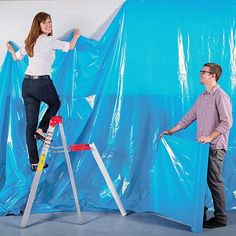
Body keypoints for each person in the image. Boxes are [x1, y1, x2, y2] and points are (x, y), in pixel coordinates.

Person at [160, 63, 232, 229]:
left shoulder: (221, 96)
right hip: (201, 149)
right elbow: (188, 118)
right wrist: (171, 131)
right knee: (199, 181)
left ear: (212, 75)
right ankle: (200, 213)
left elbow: (226, 122)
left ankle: (220, 218)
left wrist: (209, 137)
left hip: (214, 147)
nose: (200, 74)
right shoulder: (202, 98)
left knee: (214, 181)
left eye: (203, 72)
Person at [6, 12, 80, 172]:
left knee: (30, 124)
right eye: (45, 23)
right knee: (56, 103)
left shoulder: (29, 42)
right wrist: (76, 35)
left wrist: (11, 50)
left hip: (27, 85)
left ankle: (34, 162)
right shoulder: (49, 40)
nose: (48, 26)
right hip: (41, 83)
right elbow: (70, 46)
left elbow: (16, 57)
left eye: (50, 22)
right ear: (38, 25)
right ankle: (41, 129)